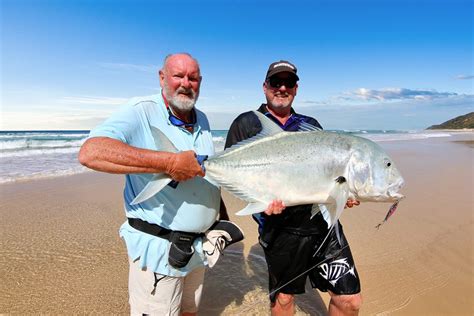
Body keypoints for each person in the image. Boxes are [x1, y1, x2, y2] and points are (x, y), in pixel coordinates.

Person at [79, 53, 236, 316]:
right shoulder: (140, 111)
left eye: (193, 78)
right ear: (162, 77)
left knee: (190, 311)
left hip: (198, 250)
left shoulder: (203, 120)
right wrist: (169, 162)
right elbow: (91, 152)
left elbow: (205, 172)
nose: (186, 83)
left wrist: (222, 218)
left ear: (200, 82)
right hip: (160, 252)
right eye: (178, 76)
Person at [225, 60, 362, 316]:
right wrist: (261, 207)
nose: (282, 88)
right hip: (279, 229)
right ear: (265, 87)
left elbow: (328, 175)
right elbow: (234, 174)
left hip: (321, 224)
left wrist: (345, 193)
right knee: (284, 300)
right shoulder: (246, 123)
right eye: (276, 82)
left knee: (350, 300)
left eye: (288, 83)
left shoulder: (310, 125)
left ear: (296, 89)